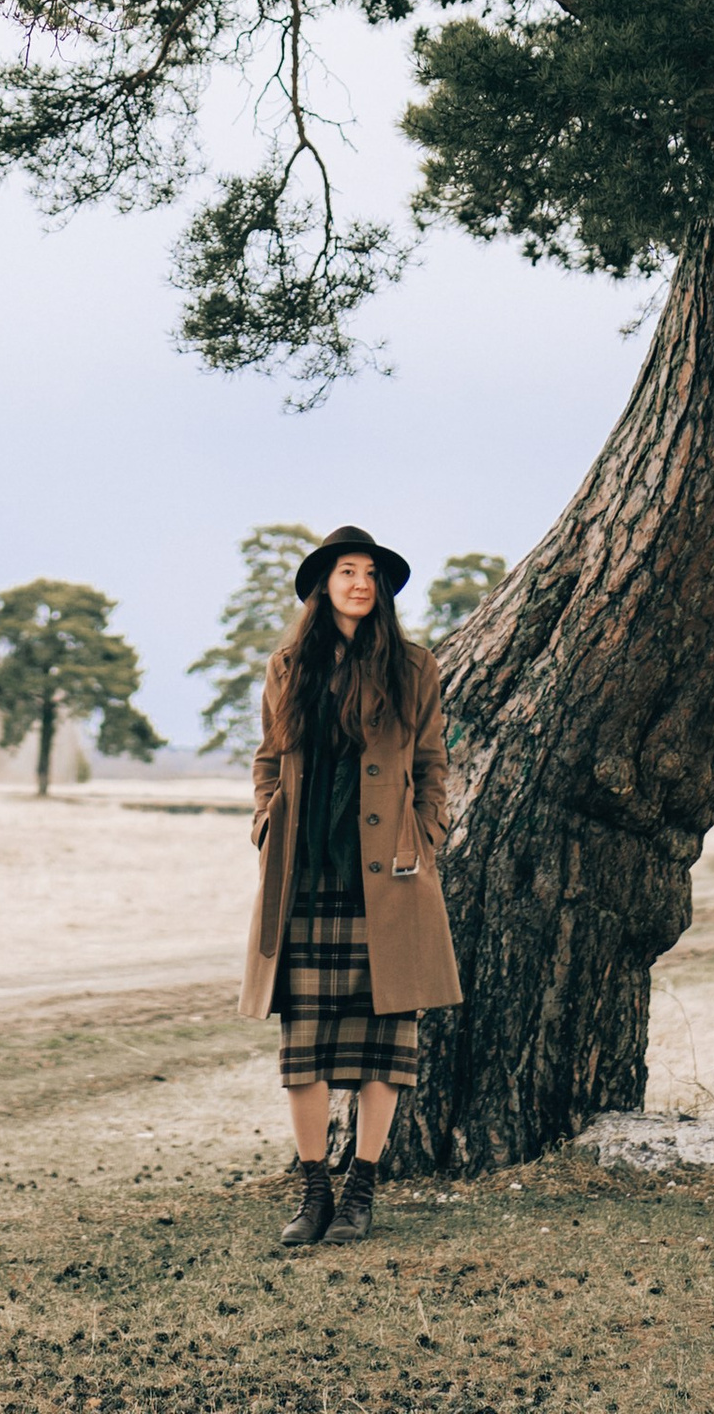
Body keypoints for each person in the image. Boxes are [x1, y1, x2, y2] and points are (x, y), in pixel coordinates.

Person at [241, 520, 463, 1250]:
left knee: (382, 1046)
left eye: (371, 572)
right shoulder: (288, 666)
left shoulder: (413, 668)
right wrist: (267, 822)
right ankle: (314, 1194)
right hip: (304, 878)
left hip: (389, 884)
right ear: (322, 586)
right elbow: (268, 758)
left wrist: (424, 833)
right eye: (347, 572)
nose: (361, 583)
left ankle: (362, 1191)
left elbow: (432, 763)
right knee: (302, 1045)